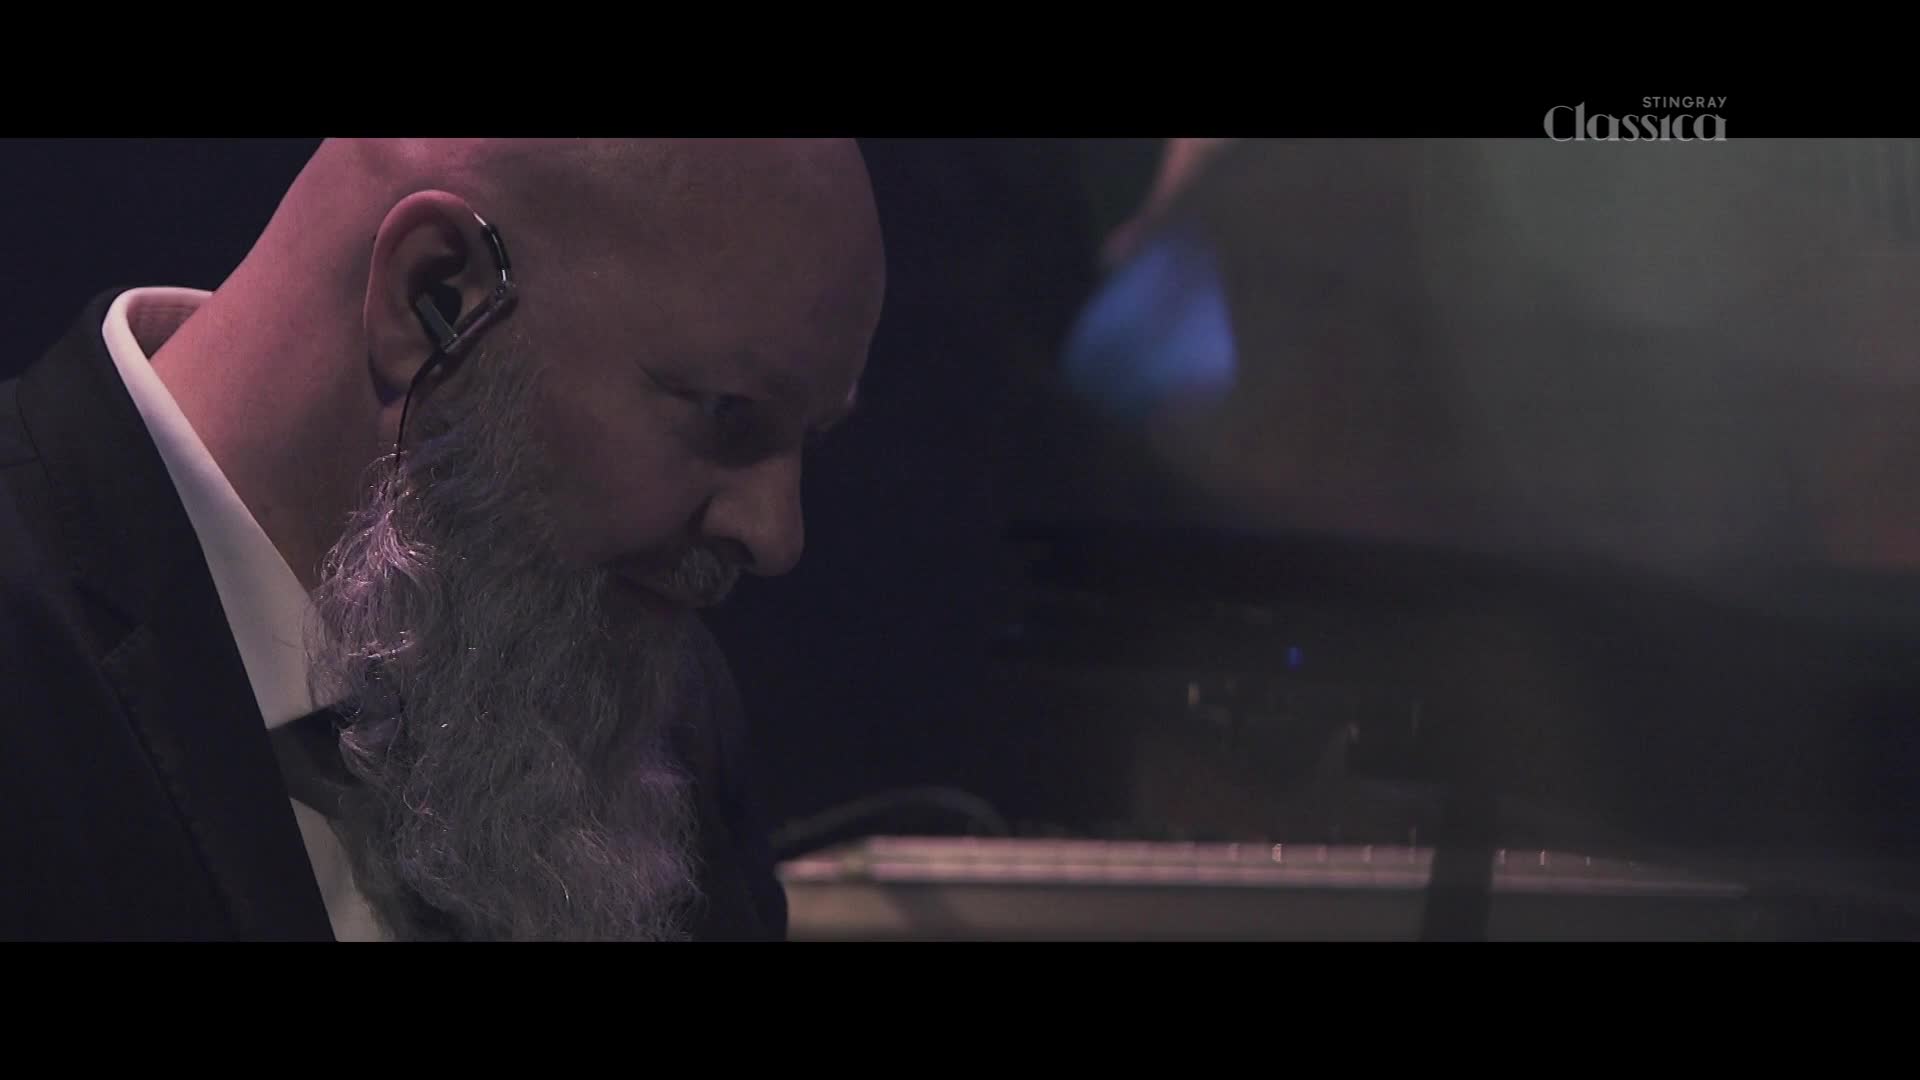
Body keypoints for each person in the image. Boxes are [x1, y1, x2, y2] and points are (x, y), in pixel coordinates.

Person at [0, 138, 887, 941]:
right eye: (727, 413)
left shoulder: (654, 703)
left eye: (808, 439)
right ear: (438, 294)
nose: (779, 537)